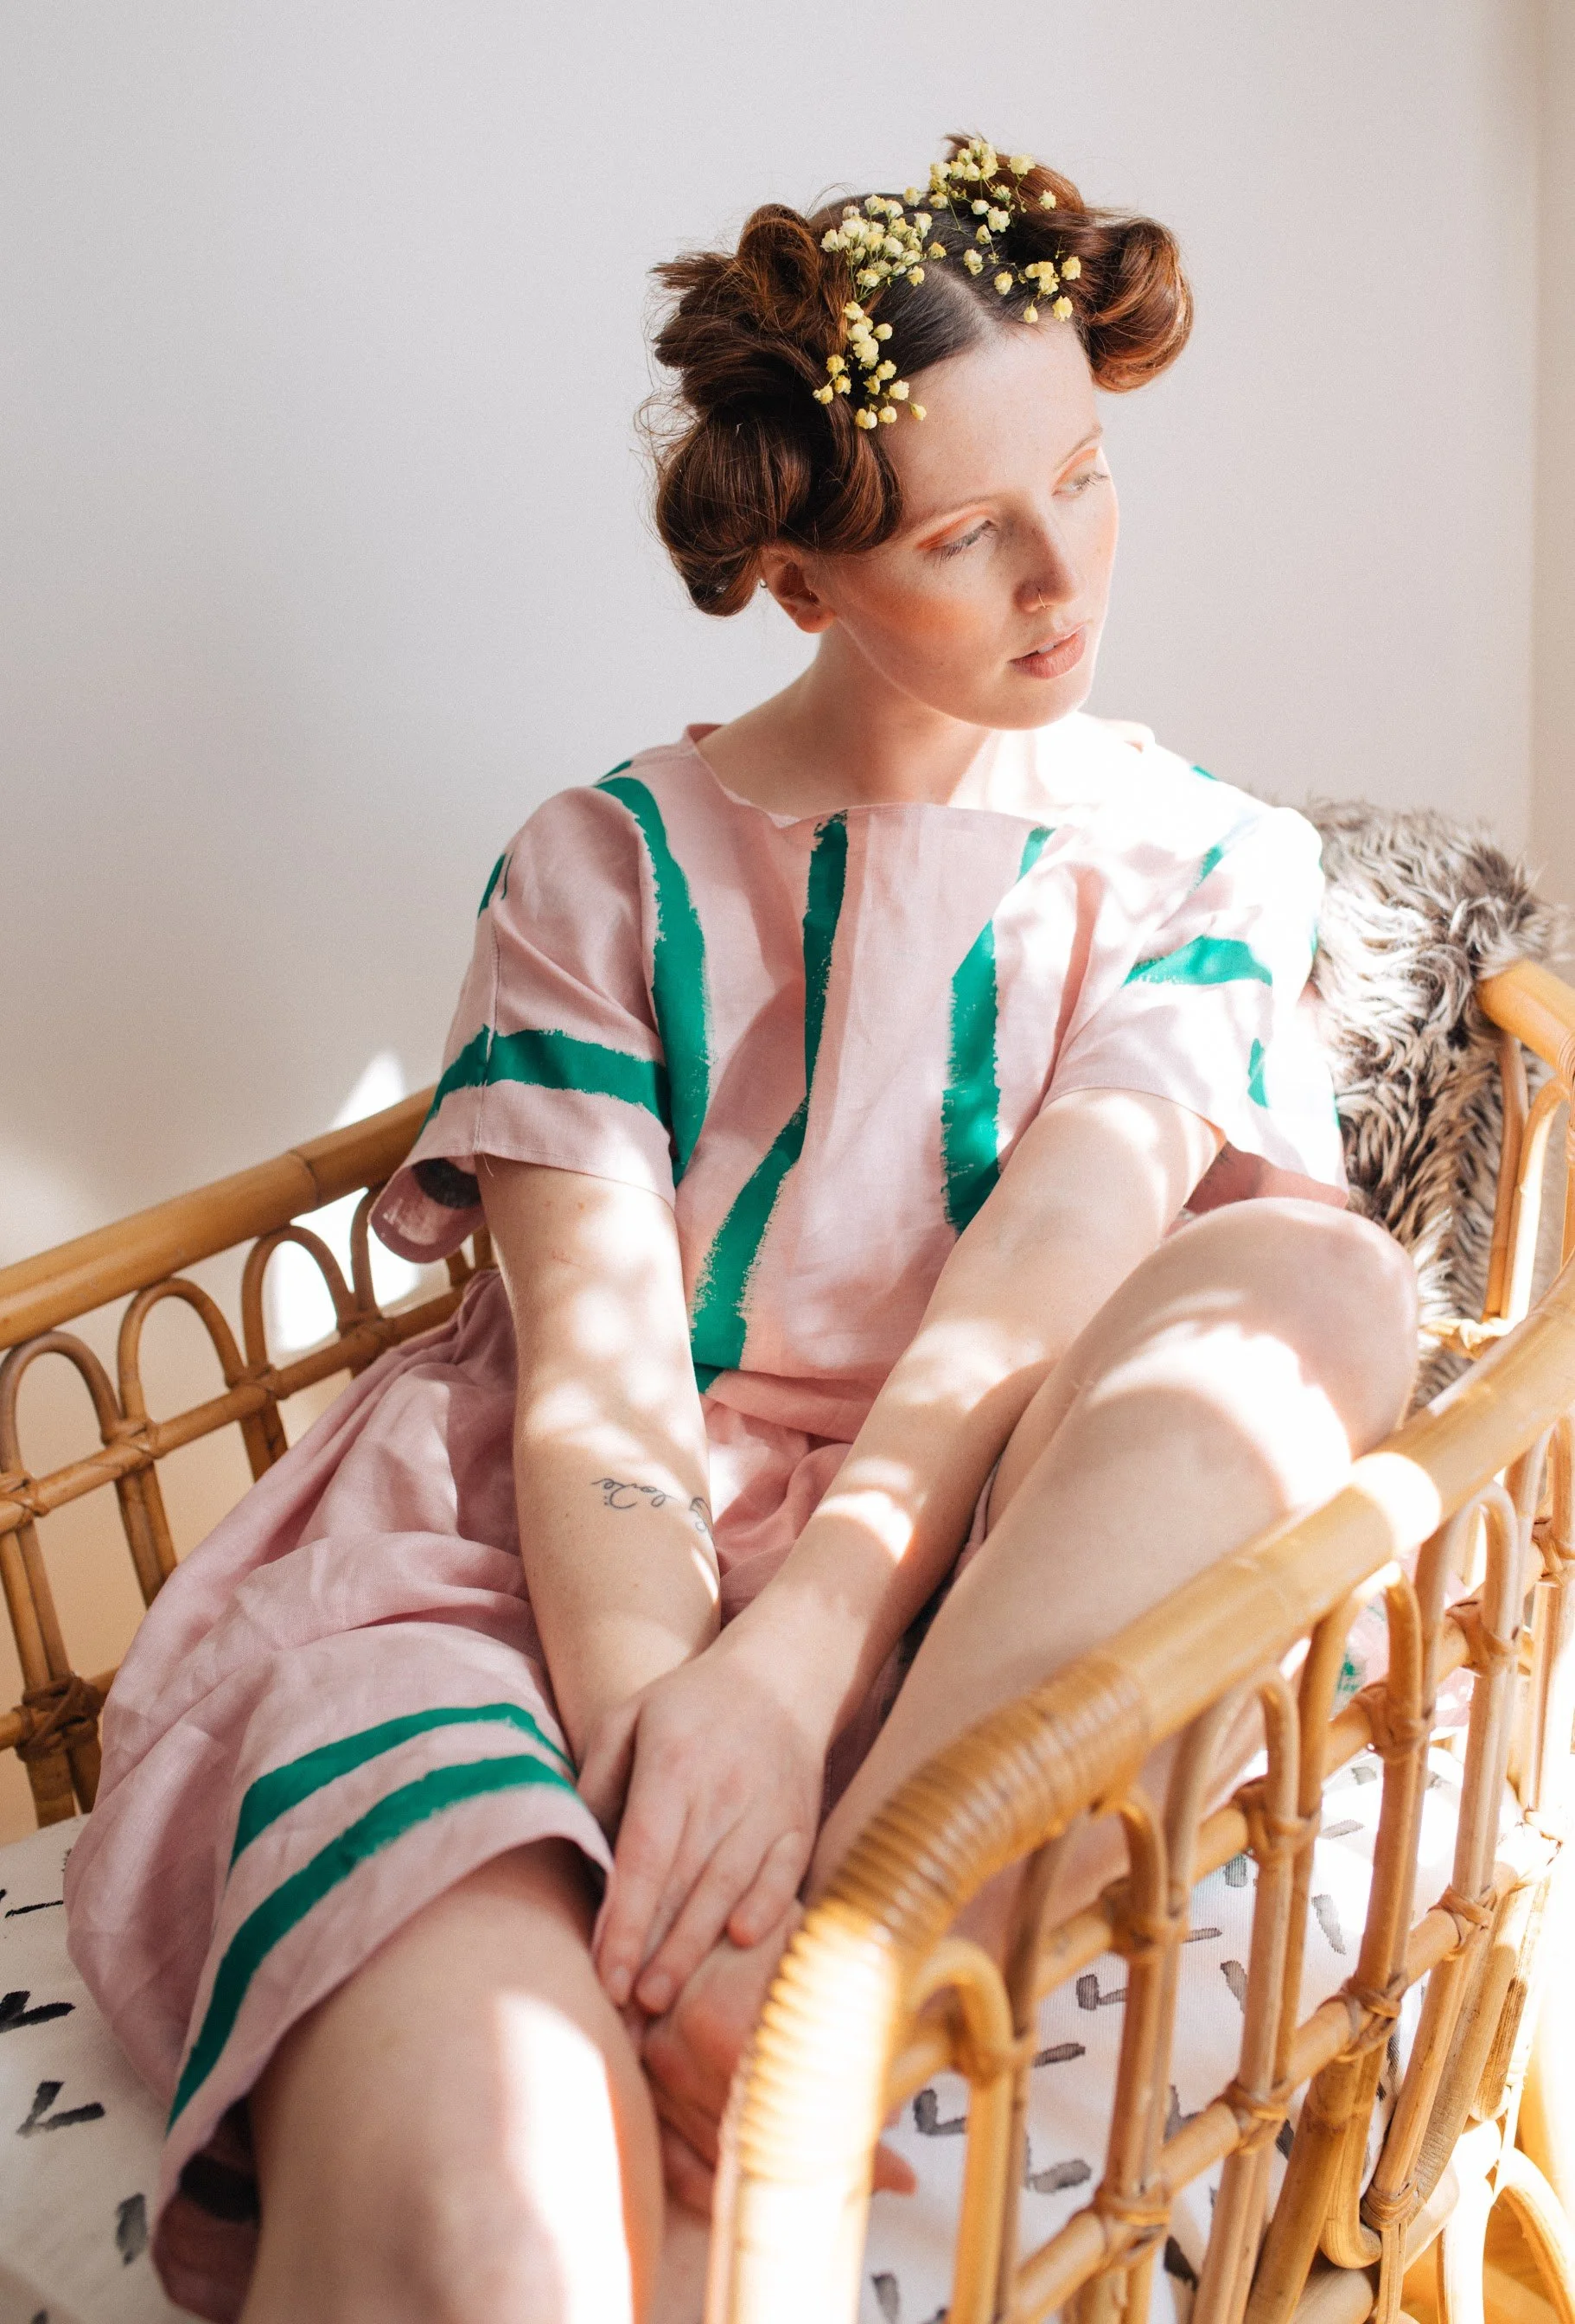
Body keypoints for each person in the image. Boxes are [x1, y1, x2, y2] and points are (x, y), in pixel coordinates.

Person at [64, 134, 1418, 2324]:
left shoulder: (1204, 862)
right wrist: (664, 1745)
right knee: (485, 2193)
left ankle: (864, 1931)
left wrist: (804, 1687)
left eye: (1081, 477)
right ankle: (711, 2019)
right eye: (968, 534)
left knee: (1314, 1285)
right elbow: (590, 1378)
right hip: (553, 1576)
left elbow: (1040, 1281)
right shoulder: (600, 867)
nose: (1059, 576)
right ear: (797, 576)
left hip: (993, 1568)